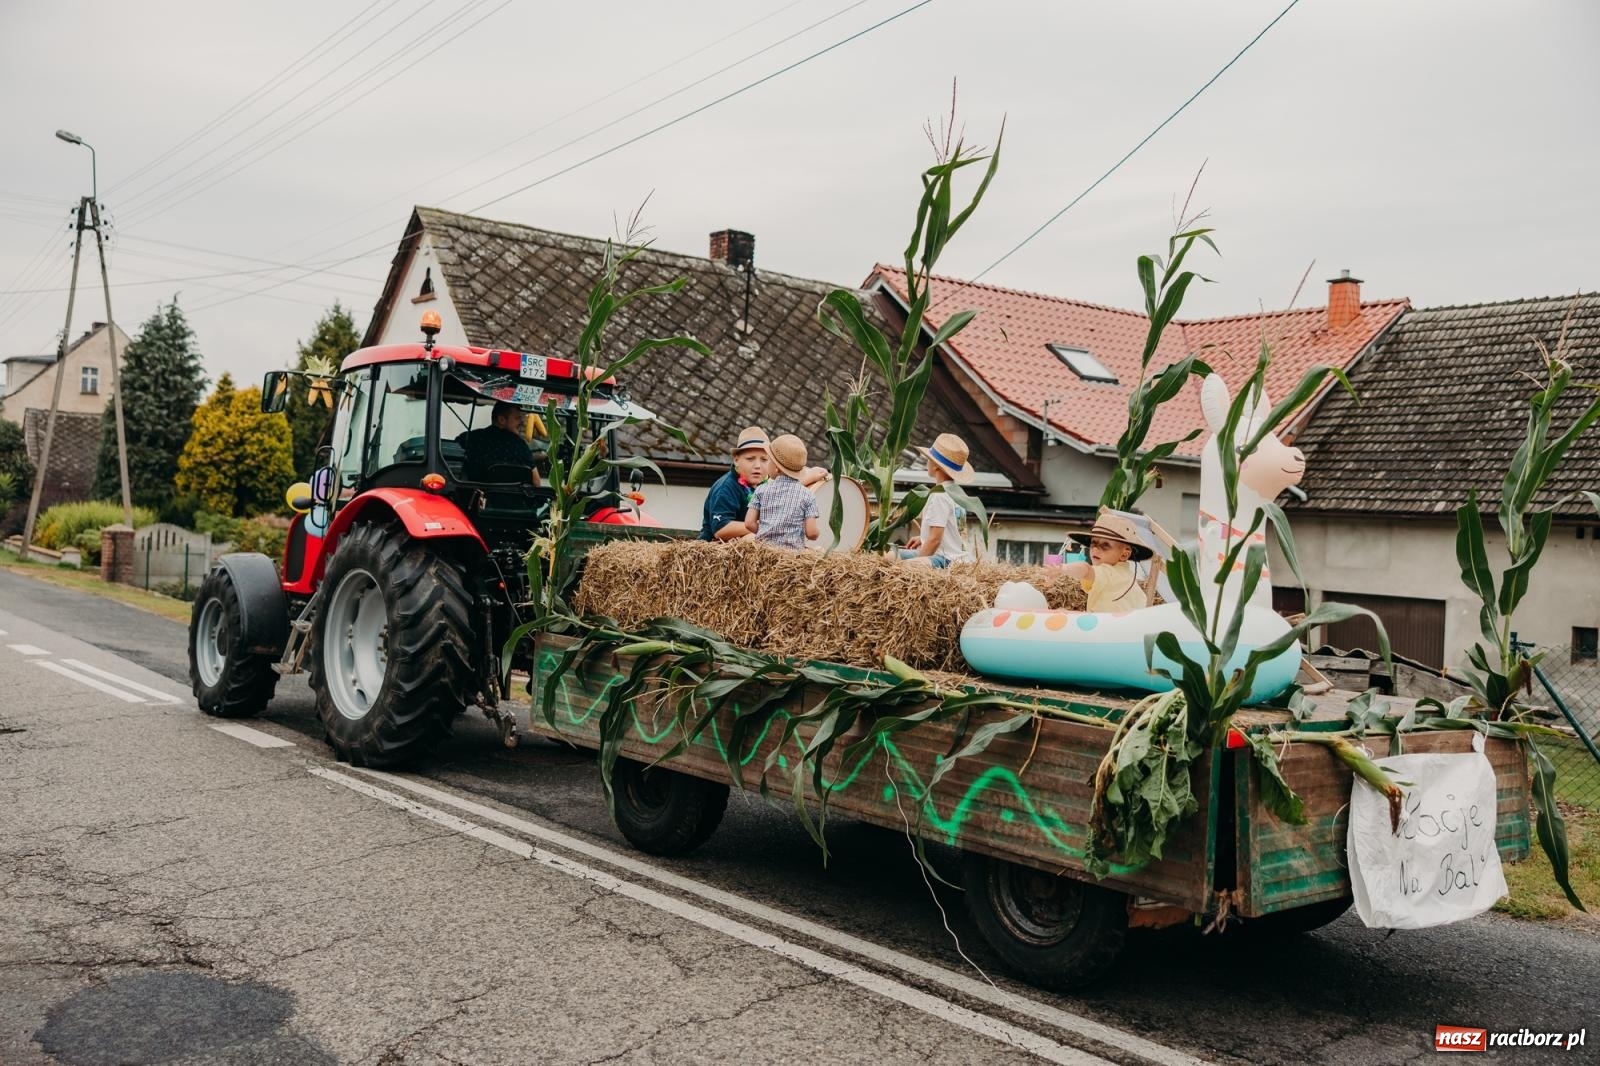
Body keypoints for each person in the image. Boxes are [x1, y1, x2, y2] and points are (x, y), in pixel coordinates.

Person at [899, 432, 976, 569]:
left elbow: (935, 540)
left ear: (935, 466)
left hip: (947, 560)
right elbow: (951, 530)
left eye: (929, 459)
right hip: (959, 557)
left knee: (899, 567)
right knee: (889, 556)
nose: (927, 462)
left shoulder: (939, 496)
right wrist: (923, 539)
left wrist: (916, 565)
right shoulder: (955, 491)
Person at [1062, 513, 1152, 613]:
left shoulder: (1107, 572)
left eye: (1105, 546)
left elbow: (1086, 570)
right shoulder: (1128, 577)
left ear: (1124, 555)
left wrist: (1062, 568)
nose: (1095, 549)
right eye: (1093, 543)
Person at [745, 434, 819, 549]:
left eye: (768, 460)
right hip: (791, 558)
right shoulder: (808, 495)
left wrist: (767, 532)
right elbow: (812, 533)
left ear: (776, 468)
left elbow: (749, 523)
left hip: (764, 553)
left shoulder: (761, 490)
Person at [700, 426, 771, 540]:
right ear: (736, 460)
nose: (758, 465)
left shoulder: (767, 484)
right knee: (753, 538)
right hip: (717, 551)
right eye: (750, 459)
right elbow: (721, 529)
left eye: (764, 459)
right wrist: (765, 527)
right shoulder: (726, 487)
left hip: (745, 549)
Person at [459, 400, 541, 485]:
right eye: (517, 418)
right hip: (516, 497)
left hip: (476, 495)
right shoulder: (520, 445)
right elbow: (536, 483)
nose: (522, 422)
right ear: (501, 419)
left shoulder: (467, 438)